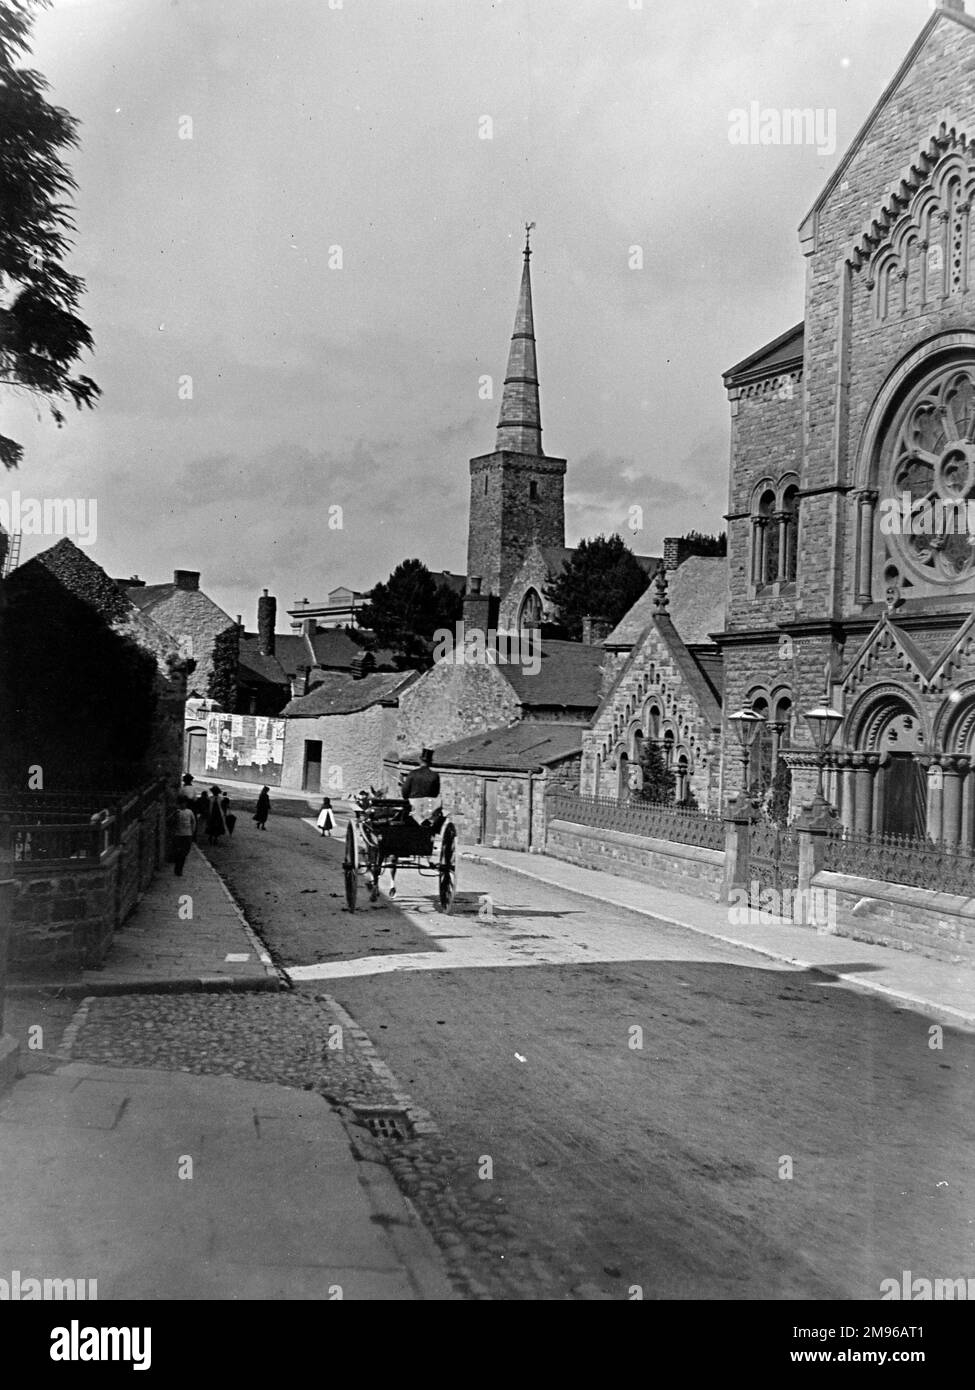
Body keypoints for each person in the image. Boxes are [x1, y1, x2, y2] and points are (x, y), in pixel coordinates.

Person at [173, 796, 196, 876]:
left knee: (184, 853)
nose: (183, 805)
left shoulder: (189, 812)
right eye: (182, 803)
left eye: (184, 803)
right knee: (179, 853)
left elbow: (193, 822)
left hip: (187, 834)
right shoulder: (177, 812)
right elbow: (172, 822)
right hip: (179, 835)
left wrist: (192, 831)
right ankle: (178, 870)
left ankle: (179, 868)